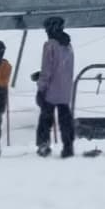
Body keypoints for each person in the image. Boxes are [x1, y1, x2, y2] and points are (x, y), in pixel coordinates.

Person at [34, 16, 76, 158]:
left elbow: (47, 70)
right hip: (64, 89)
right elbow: (63, 68)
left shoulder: (50, 45)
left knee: (45, 120)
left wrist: (41, 88)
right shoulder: (68, 45)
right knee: (65, 119)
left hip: (50, 90)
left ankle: (43, 145)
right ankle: (68, 146)